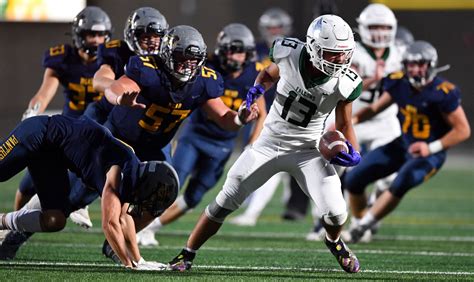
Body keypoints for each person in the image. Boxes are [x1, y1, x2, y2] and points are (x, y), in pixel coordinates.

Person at [168, 15, 363, 274]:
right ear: (314, 48)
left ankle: (334, 242)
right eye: (332, 54)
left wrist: (353, 150)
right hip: (268, 143)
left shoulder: (346, 81)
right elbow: (268, 73)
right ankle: (187, 253)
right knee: (223, 201)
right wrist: (258, 89)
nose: (340, 60)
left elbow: (345, 123)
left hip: (309, 149)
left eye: (343, 54)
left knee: (337, 213)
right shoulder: (289, 53)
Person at [99, 24, 259, 260]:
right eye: (181, 58)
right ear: (167, 54)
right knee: (73, 199)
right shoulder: (148, 68)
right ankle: (24, 223)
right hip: (122, 137)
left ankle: (116, 243)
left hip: (156, 143)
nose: (187, 65)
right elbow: (118, 87)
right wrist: (119, 98)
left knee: (165, 192)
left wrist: (240, 118)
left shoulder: (204, 80)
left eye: (193, 60)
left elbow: (224, 117)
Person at [135, 23, 267, 246]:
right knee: (170, 182)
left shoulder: (253, 73)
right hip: (195, 136)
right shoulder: (207, 66)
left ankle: (149, 228)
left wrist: (251, 145)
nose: (237, 56)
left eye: (241, 51)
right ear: (222, 49)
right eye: (233, 49)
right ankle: (136, 223)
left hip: (223, 145)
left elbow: (262, 112)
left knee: (192, 198)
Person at [0, 115, 179, 270]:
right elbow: (110, 223)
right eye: (153, 198)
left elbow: (124, 218)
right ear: (148, 184)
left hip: (52, 157)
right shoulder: (120, 170)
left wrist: (139, 260)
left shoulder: (133, 174)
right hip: (39, 132)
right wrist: (129, 264)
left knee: (54, 220)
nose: (149, 204)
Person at [342, 41, 471, 243]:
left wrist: (431, 147)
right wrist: (352, 120)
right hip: (403, 144)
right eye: (410, 64)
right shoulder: (399, 82)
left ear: (431, 65)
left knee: (402, 180)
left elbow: (463, 130)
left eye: (420, 64)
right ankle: (361, 223)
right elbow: (376, 108)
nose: (415, 69)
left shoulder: (443, 92)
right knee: (354, 178)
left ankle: (362, 227)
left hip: (430, 152)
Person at [306, 3, 403, 242]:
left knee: (390, 177)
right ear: (363, 27)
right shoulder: (351, 51)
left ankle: (366, 216)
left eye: (384, 27)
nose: (380, 32)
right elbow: (345, 83)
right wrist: (373, 80)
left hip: (385, 121)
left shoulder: (401, 53)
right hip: (351, 118)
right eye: (374, 26)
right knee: (329, 169)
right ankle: (322, 221)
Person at [15, 6, 113, 229]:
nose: (97, 40)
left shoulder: (111, 59)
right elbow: (44, 92)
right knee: (28, 183)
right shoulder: (63, 58)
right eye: (91, 34)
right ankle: (11, 224)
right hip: (67, 127)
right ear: (79, 35)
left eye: (101, 35)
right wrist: (32, 114)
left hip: (96, 129)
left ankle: (80, 202)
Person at [86, 7, 169, 124]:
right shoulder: (118, 52)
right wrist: (119, 89)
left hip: (143, 120)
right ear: (132, 36)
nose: (152, 42)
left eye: (157, 36)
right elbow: (99, 80)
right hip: (108, 113)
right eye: (146, 37)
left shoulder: (169, 60)